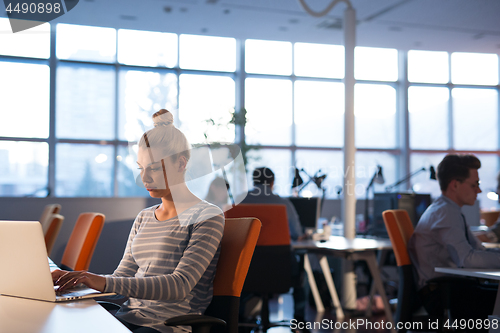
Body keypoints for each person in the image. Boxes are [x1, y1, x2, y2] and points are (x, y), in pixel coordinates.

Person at [52, 109, 225, 333]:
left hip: (166, 326)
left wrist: (97, 280)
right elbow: (121, 280)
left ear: (181, 164)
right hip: (129, 318)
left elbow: (180, 285)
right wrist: (78, 284)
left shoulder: (207, 216)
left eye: (153, 168)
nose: (144, 177)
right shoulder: (144, 217)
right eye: (141, 169)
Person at [408, 154, 500, 323]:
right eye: (474, 185)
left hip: (450, 290)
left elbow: (478, 250)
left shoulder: (448, 210)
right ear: (455, 185)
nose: (478, 190)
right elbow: (466, 259)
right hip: (443, 295)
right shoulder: (446, 213)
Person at [239, 166, 307, 326]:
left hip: (247, 271)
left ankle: (238, 321)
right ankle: (299, 323)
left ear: (254, 181)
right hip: (280, 271)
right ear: (272, 182)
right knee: (301, 277)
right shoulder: (284, 204)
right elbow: (297, 233)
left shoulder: (239, 202)